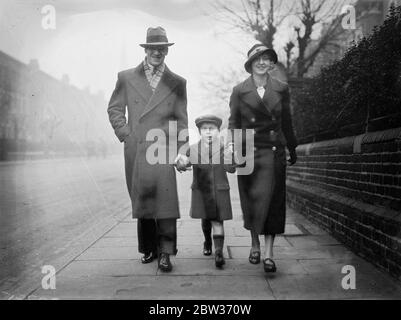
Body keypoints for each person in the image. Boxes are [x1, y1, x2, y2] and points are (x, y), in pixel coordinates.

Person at [107, 27, 189, 272]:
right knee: (142, 199)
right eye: (152, 48)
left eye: (162, 48)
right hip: (138, 147)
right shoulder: (126, 77)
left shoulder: (177, 83)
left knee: (165, 201)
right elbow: (115, 109)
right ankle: (148, 248)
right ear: (145, 50)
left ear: (167, 51)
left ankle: (165, 252)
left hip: (163, 148)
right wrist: (126, 135)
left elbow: (181, 120)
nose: (157, 52)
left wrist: (181, 151)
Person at [228, 44, 297, 273]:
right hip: (248, 152)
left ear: (271, 64)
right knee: (252, 200)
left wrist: (292, 147)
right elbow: (234, 123)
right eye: (257, 59)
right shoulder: (239, 90)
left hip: (274, 151)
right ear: (250, 64)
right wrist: (233, 148)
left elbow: (287, 120)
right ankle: (254, 244)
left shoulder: (281, 88)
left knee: (273, 202)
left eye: (266, 59)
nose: (262, 62)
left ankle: (268, 253)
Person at [181, 115, 236, 268]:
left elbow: (231, 169)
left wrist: (231, 154)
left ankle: (218, 252)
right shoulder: (193, 149)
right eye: (204, 129)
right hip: (202, 191)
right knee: (205, 220)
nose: (208, 132)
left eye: (212, 129)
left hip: (219, 190)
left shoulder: (224, 148)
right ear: (200, 132)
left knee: (218, 221)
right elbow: (184, 163)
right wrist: (180, 161)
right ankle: (207, 241)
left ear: (218, 131)